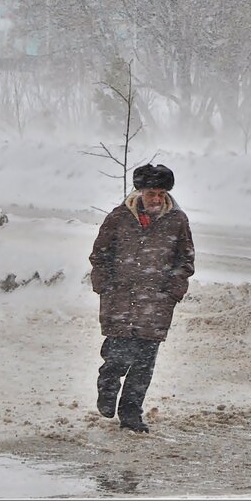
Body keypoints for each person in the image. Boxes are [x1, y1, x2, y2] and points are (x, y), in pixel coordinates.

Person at [89, 163, 195, 433]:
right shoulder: (118, 218)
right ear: (139, 193)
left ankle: (131, 414)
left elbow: (186, 260)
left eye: (161, 194)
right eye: (151, 194)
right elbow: (99, 255)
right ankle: (108, 384)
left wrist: (172, 291)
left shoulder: (177, 221)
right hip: (120, 301)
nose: (156, 200)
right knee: (117, 357)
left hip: (157, 305)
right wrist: (105, 286)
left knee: (144, 365)